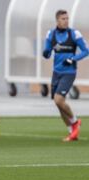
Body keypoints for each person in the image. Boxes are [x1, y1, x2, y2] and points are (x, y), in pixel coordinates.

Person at [43, 10, 88, 142]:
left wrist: (73, 59)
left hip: (69, 72)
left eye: (67, 18)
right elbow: (46, 54)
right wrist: (46, 51)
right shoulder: (51, 34)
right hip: (56, 72)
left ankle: (75, 122)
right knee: (58, 104)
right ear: (57, 21)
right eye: (63, 19)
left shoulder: (74, 34)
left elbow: (86, 51)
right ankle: (72, 132)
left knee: (59, 100)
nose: (66, 21)